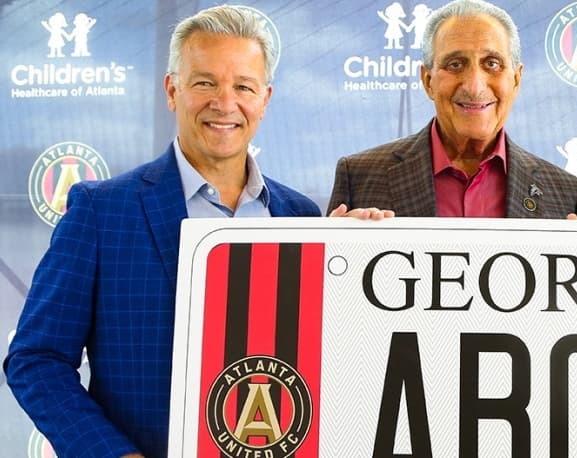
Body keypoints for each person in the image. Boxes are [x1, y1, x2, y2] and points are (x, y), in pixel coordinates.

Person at [1, 6, 383, 458]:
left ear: (265, 99)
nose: (225, 103)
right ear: (171, 90)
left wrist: (351, 261)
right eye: (204, 83)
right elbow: (36, 359)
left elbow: (323, 361)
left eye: (243, 86)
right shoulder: (101, 211)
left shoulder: (299, 215)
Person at [328, 0, 577, 220]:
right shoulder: (358, 177)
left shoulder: (566, 192)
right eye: (455, 64)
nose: (474, 86)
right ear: (428, 81)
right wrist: (337, 244)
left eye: (492, 63)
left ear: (516, 79)